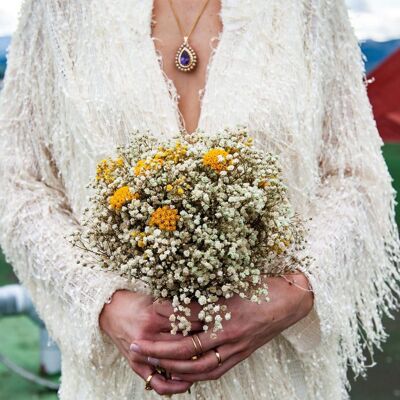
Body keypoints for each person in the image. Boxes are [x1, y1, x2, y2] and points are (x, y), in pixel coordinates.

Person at [0, 0, 398, 399]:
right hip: (118, 383)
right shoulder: (57, 8)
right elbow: (18, 182)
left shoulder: (309, 7)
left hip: (280, 378)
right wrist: (102, 303)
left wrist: (292, 293)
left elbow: (355, 176)